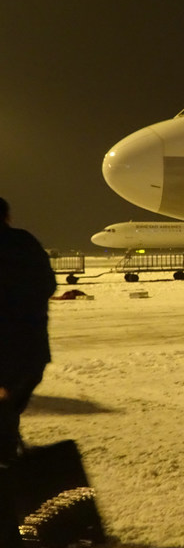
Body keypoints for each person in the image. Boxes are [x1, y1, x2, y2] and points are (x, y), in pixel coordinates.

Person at [0, 197, 56, 547]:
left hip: (6, 357)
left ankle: (9, 525)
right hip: (30, 355)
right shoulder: (25, 243)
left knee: (3, 435)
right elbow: (47, 286)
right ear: (7, 215)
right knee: (7, 424)